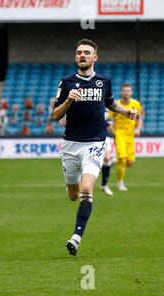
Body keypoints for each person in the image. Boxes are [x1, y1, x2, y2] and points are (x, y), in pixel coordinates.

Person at [52, 39, 137, 256]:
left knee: (87, 189)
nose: (82, 55)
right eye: (79, 52)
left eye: (87, 53)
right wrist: (68, 101)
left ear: (94, 57)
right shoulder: (66, 83)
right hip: (71, 145)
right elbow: (55, 115)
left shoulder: (104, 80)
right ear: (75, 57)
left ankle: (76, 237)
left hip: (95, 143)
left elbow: (110, 103)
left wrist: (125, 112)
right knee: (73, 194)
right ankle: (73, 188)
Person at [110, 83, 143, 191]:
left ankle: (114, 159)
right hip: (119, 134)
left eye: (128, 91)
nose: (126, 92)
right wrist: (110, 125)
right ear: (121, 92)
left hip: (130, 135)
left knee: (130, 162)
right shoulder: (116, 105)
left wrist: (138, 129)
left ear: (131, 92)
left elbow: (139, 118)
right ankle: (120, 183)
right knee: (122, 159)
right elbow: (109, 118)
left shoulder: (136, 104)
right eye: (124, 90)